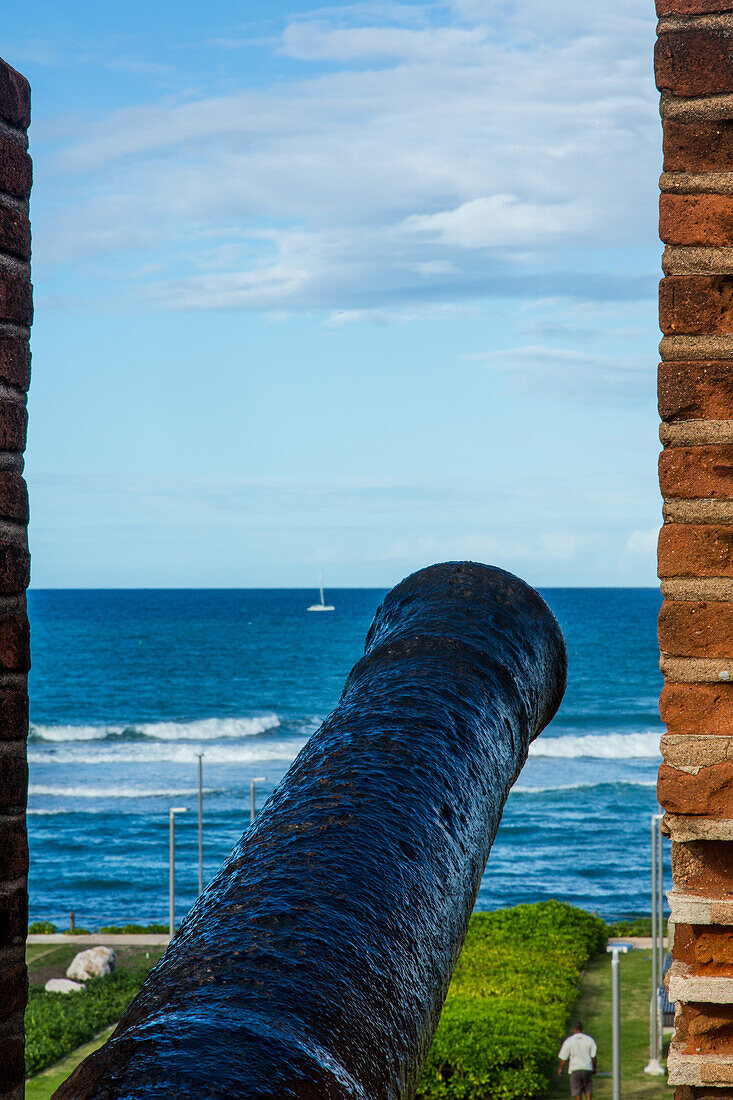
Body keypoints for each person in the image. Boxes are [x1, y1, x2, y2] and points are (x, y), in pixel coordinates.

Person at [558, 1021, 597, 1100]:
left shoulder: (569, 1041)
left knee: (577, 1092)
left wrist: (560, 1068)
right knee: (588, 1090)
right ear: (582, 1029)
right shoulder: (589, 1040)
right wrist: (594, 1068)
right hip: (587, 1068)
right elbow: (593, 1056)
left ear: (574, 1029)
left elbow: (563, 1057)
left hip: (575, 1069)